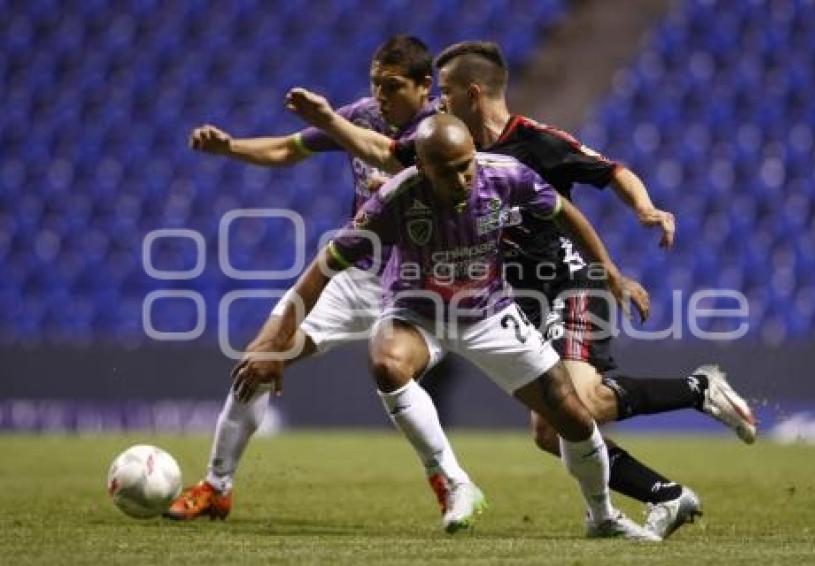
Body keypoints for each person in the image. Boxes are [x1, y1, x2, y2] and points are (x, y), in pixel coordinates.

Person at [284, 40, 757, 539]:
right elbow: (383, 150)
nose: (438, 103)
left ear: (472, 93)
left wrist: (643, 209)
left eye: (445, 92)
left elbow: (611, 170)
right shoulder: (446, 146)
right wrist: (330, 121)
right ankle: (666, 495)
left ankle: (698, 390)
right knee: (550, 431)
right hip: (514, 299)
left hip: (566, 283)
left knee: (585, 401)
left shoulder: (534, 141)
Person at [232, 113, 661, 541]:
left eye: (466, 166)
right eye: (447, 171)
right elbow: (319, 271)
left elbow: (564, 210)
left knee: (572, 416)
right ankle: (454, 482)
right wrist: (273, 344)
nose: (460, 179)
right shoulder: (394, 201)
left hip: (488, 312)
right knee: (387, 363)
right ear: (422, 166)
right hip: (418, 313)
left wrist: (609, 271)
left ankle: (602, 516)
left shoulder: (507, 176)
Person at [168, 36, 485, 533]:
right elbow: (287, 148)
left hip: (418, 281)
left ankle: (450, 479)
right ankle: (216, 486)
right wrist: (229, 147)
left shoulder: (442, 132)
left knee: (393, 373)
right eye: (376, 84)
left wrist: (329, 121)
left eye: (393, 86)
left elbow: (386, 155)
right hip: (356, 274)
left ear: (425, 87)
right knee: (258, 359)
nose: (380, 95)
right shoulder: (360, 114)